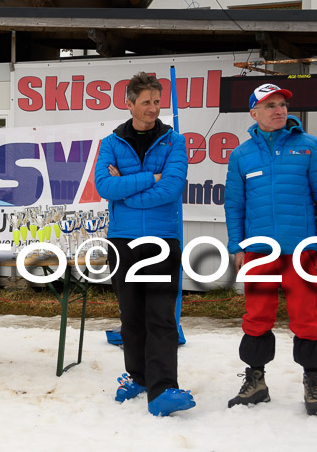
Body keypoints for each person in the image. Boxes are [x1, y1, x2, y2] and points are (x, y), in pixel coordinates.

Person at [224, 84, 317, 416]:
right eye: (270, 105)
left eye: (282, 105)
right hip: (259, 252)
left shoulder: (310, 147)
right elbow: (234, 206)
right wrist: (237, 246)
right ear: (254, 114)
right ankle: (256, 381)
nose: (279, 110)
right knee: (257, 316)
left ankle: (312, 383)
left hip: (301, 251)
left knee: (307, 318)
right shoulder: (242, 155)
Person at [95, 72, 194, 416]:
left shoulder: (174, 141)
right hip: (122, 241)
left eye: (157, 100)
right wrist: (148, 178)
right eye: (146, 101)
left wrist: (129, 192)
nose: (153, 108)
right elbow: (105, 187)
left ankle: (164, 387)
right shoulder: (111, 142)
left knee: (161, 316)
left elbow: (171, 188)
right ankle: (137, 377)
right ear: (130, 104)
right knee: (131, 317)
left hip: (161, 239)